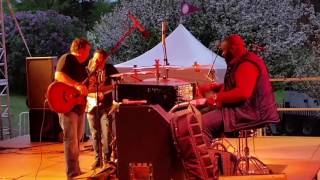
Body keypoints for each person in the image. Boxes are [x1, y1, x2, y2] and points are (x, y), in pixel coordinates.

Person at [197, 34, 280, 143]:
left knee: (202, 125)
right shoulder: (240, 61)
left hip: (250, 112)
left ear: (232, 49)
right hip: (244, 109)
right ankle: (221, 154)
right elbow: (236, 84)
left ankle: (203, 159)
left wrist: (215, 97)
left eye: (224, 51)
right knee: (205, 115)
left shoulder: (246, 64)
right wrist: (215, 87)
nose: (222, 54)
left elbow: (242, 93)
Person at [55, 38, 91, 178]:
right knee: (71, 140)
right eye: (88, 49)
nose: (89, 52)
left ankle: (76, 169)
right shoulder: (67, 58)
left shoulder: (82, 67)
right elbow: (58, 75)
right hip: (67, 106)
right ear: (80, 49)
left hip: (78, 107)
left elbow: (83, 89)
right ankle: (72, 173)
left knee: (77, 139)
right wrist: (76, 85)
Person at [86, 49, 119, 170]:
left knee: (106, 133)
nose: (96, 62)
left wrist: (106, 88)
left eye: (99, 59)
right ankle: (97, 159)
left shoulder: (110, 68)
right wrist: (96, 92)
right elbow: (85, 89)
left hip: (106, 105)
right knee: (95, 134)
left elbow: (118, 81)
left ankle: (107, 158)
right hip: (91, 106)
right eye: (95, 59)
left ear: (105, 59)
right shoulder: (88, 69)